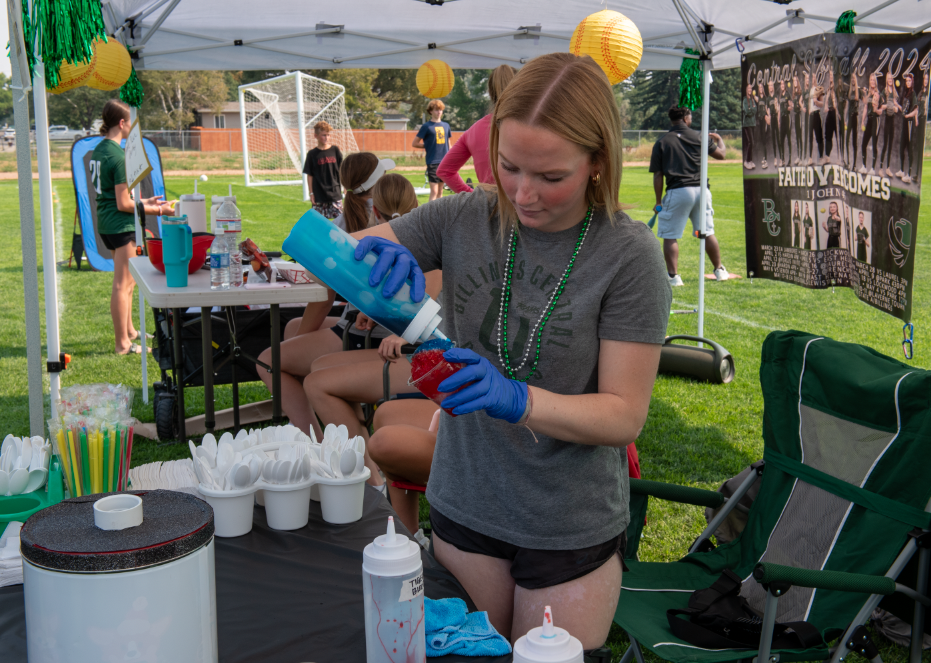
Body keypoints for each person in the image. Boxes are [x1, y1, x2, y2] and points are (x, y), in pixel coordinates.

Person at [348, 52, 671, 648]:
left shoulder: (628, 255)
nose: (523, 194)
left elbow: (624, 413)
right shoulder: (465, 217)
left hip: (567, 525)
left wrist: (518, 399)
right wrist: (357, 260)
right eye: (509, 167)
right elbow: (332, 255)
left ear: (598, 162)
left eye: (551, 177)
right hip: (466, 506)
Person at [256, 153, 398, 436]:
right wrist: (300, 342)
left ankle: (315, 439)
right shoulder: (392, 216)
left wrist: (298, 347)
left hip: (365, 330)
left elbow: (323, 299)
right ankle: (333, 415)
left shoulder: (339, 226)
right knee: (293, 328)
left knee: (267, 361)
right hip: (378, 326)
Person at [91, 99, 175, 355]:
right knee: (123, 284)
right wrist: (159, 210)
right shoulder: (119, 156)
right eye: (131, 123)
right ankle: (122, 345)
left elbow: (117, 197)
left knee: (128, 284)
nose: (133, 129)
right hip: (120, 225)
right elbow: (124, 203)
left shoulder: (100, 149)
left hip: (107, 223)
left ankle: (130, 332)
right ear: (122, 123)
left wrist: (145, 201)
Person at [650, 106, 728, 286]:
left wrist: (658, 201)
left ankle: (673, 276)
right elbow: (721, 155)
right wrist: (719, 140)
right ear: (686, 118)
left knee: (670, 235)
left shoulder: (662, 141)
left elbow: (657, 175)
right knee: (706, 232)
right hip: (702, 191)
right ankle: (719, 270)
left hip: (678, 191)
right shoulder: (700, 136)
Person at [438, 65, 517, 192]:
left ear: (490, 93)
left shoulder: (474, 130)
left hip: (490, 206)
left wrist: (474, 198)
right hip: (526, 206)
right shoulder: (533, 125)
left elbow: (444, 171)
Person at [302, 120, 343, 220]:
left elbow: (342, 169)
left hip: (335, 193)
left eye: (328, 135)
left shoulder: (335, 150)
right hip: (319, 195)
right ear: (316, 136)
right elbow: (310, 175)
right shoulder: (312, 154)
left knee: (341, 223)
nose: (326, 137)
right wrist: (311, 193)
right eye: (324, 135)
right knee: (318, 224)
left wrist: (345, 186)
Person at [413, 99, 452, 201]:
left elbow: (448, 143)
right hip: (433, 162)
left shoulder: (446, 126)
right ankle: (429, 215)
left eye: (440, 110)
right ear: (430, 111)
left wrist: (451, 156)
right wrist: (428, 146)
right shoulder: (426, 126)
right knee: (434, 191)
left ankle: (438, 214)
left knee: (440, 192)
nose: (439, 112)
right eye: (436, 110)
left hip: (444, 162)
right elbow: (415, 143)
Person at [897, 72, 919, 184]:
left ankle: (909, 175)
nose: (908, 82)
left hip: (909, 123)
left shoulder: (913, 94)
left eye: (909, 81)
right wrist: (897, 105)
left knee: (909, 149)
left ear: (912, 82)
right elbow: (904, 110)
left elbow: (915, 110)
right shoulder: (906, 94)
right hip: (904, 123)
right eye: (907, 81)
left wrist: (909, 116)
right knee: (901, 147)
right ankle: (901, 170)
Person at [878, 72, 901, 178]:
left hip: (892, 120)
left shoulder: (894, 92)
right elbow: (882, 107)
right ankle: (881, 169)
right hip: (887, 119)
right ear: (887, 80)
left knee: (891, 145)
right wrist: (891, 107)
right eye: (888, 78)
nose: (890, 80)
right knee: (885, 145)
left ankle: (887, 169)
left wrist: (898, 108)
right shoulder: (884, 91)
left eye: (891, 78)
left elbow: (896, 104)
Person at [860, 73, 882, 175]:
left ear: (875, 82)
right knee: (864, 143)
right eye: (871, 80)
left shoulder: (878, 94)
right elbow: (865, 107)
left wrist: (876, 106)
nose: (872, 82)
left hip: (876, 120)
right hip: (869, 120)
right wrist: (862, 121)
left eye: (874, 80)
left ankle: (872, 168)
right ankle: (864, 166)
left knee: (874, 144)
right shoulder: (868, 94)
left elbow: (879, 111)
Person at [842, 71, 859, 169]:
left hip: (855, 118)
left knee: (854, 142)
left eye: (854, 78)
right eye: (851, 78)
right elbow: (847, 107)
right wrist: (845, 119)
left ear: (855, 80)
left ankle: (855, 164)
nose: (853, 80)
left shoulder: (858, 90)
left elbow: (864, 100)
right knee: (847, 140)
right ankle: (847, 162)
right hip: (849, 117)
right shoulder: (849, 91)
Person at [823, 70, 838, 165]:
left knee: (839, 136)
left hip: (836, 113)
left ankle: (841, 158)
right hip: (830, 112)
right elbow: (825, 108)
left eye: (833, 75)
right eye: (830, 76)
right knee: (828, 136)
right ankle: (827, 156)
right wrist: (826, 103)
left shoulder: (837, 87)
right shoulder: (828, 89)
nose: (831, 77)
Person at [808, 84, 825, 165]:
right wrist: (809, 110)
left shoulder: (818, 89)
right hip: (811, 115)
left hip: (816, 114)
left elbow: (822, 104)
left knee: (819, 137)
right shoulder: (809, 90)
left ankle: (821, 157)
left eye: (813, 77)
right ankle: (810, 158)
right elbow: (808, 102)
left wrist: (816, 101)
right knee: (810, 137)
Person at [741, 82, 756, 170]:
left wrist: (752, 110)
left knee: (752, 143)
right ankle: (747, 161)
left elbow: (755, 110)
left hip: (753, 123)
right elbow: (747, 111)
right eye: (748, 88)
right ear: (747, 90)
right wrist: (751, 110)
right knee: (751, 142)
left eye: (751, 88)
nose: (750, 90)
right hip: (747, 124)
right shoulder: (744, 100)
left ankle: (750, 161)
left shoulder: (753, 99)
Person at [792, 72, 805, 166]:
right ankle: (798, 156)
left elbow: (802, 105)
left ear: (798, 82)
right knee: (797, 136)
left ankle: (802, 157)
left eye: (796, 80)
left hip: (800, 115)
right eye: (793, 81)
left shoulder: (801, 93)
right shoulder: (793, 94)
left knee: (800, 136)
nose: (795, 82)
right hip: (795, 116)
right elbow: (794, 106)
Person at [756, 81, 770, 169]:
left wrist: (769, 117)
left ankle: (766, 160)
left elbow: (767, 109)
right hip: (760, 121)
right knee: (761, 140)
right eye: (759, 87)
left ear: (763, 89)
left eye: (762, 87)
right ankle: (764, 158)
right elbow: (753, 97)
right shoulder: (757, 98)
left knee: (764, 140)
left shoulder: (765, 98)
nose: (760, 89)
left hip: (764, 120)